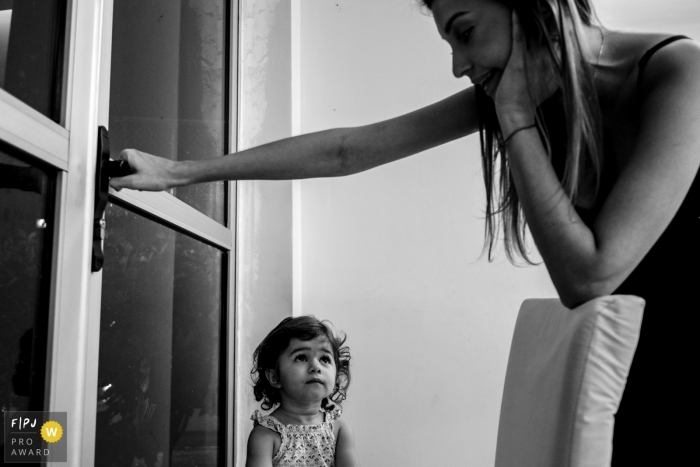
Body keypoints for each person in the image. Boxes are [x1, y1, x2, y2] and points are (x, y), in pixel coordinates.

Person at [111, 0, 699, 464]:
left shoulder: (680, 72)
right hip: (624, 371)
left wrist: (514, 116)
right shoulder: (515, 95)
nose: (458, 64)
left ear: (534, 6)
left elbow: (590, 274)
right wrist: (178, 173)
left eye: (464, 32)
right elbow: (348, 150)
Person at [245, 316, 359, 467]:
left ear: (337, 376)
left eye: (324, 359)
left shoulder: (339, 432)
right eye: (301, 357)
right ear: (275, 377)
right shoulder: (265, 436)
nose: (316, 366)